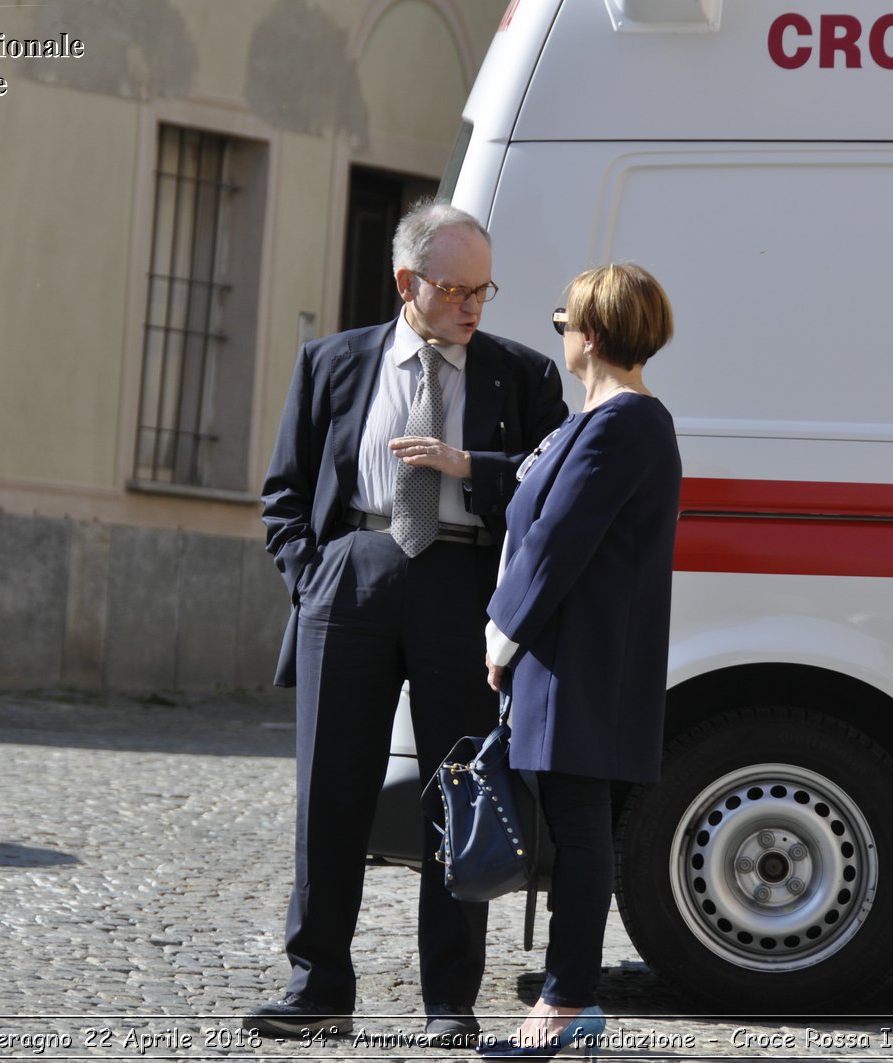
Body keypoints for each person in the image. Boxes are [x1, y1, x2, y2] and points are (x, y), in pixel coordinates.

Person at [251, 199, 568, 1044]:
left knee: (458, 788)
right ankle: (318, 986)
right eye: (456, 288)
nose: (472, 305)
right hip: (351, 574)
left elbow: (550, 489)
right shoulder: (333, 364)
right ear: (407, 282)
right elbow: (284, 492)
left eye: (483, 289)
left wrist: (476, 468)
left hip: (462, 583)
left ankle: (450, 1001)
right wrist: (311, 577)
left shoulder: (522, 375)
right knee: (331, 789)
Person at [476, 264, 682, 1060]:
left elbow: (560, 540)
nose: (557, 329)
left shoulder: (626, 422)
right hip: (568, 654)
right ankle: (570, 997)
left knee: (581, 832)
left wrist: (501, 635)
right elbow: (537, 498)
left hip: (580, 659)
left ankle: (567, 1002)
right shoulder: (592, 420)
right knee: (574, 829)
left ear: (590, 334)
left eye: (564, 318)